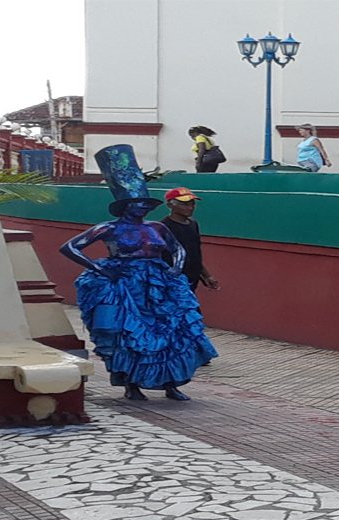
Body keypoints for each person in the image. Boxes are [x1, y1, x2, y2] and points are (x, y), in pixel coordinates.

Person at [59, 145, 219, 401]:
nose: (142, 207)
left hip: (159, 283)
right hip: (125, 285)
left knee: (172, 330)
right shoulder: (108, 228)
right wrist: (98, 268)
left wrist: (175, 269)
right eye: (136, 203)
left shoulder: (156, 227)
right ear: (125, 206)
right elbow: (70, 247)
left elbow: (177, 249)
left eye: (145, 202)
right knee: (129, 334)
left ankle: (171, 383)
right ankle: (132, 384)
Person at [158, 187, 218, 291]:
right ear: (170, 205)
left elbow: (194, 253)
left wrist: (206, 275)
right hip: (171, 280)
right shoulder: (162, 228)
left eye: (193, 204)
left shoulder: (193, 224)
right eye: (185, 204)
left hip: (192, 278)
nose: (190, 208)